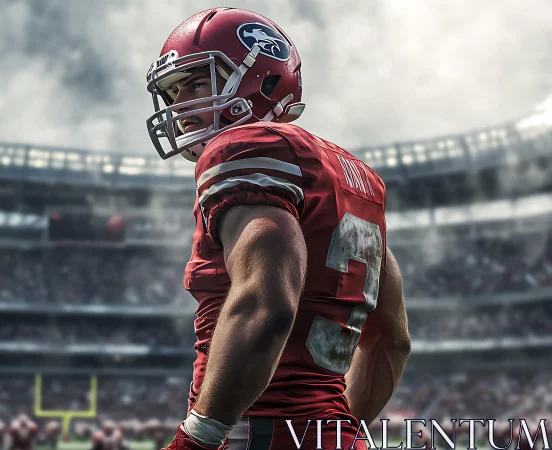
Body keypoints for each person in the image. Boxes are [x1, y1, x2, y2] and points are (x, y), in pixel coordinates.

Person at [145, 7, 412, 450]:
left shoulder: (242, 147)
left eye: (196, 82)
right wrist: (336, 433)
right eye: (173, 92)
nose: (180, 106)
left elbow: (265, 305)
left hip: (255, 433)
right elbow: (391, 340)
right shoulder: (352, 177)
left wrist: (201, 435)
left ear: (264, 79)